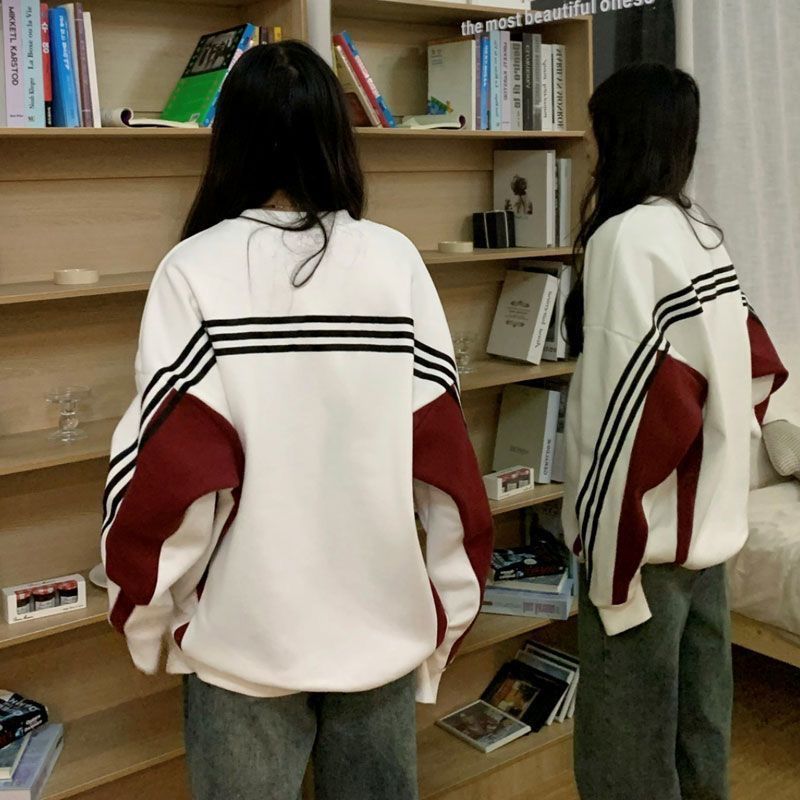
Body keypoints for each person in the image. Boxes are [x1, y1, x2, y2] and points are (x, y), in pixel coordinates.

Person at [100, 41, 493, 800]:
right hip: (382, 634)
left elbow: (170, 484)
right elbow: (448, 473)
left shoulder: (194, 269)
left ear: (231, 140)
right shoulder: (395, 263)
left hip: (242, 646)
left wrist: (148, 623)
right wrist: (445, 622)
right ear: (336, 136)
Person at [562, 63, 787, 800]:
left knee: (624, 760)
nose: (587, 145)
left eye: (595, 128)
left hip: (644, 548)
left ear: (621, 134)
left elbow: (622, 418)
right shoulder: (701, 232)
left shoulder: (624, 239)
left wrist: (607, 561)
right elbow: (757, 366)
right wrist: (718, 468)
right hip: (709, 540)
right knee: (699, 738)